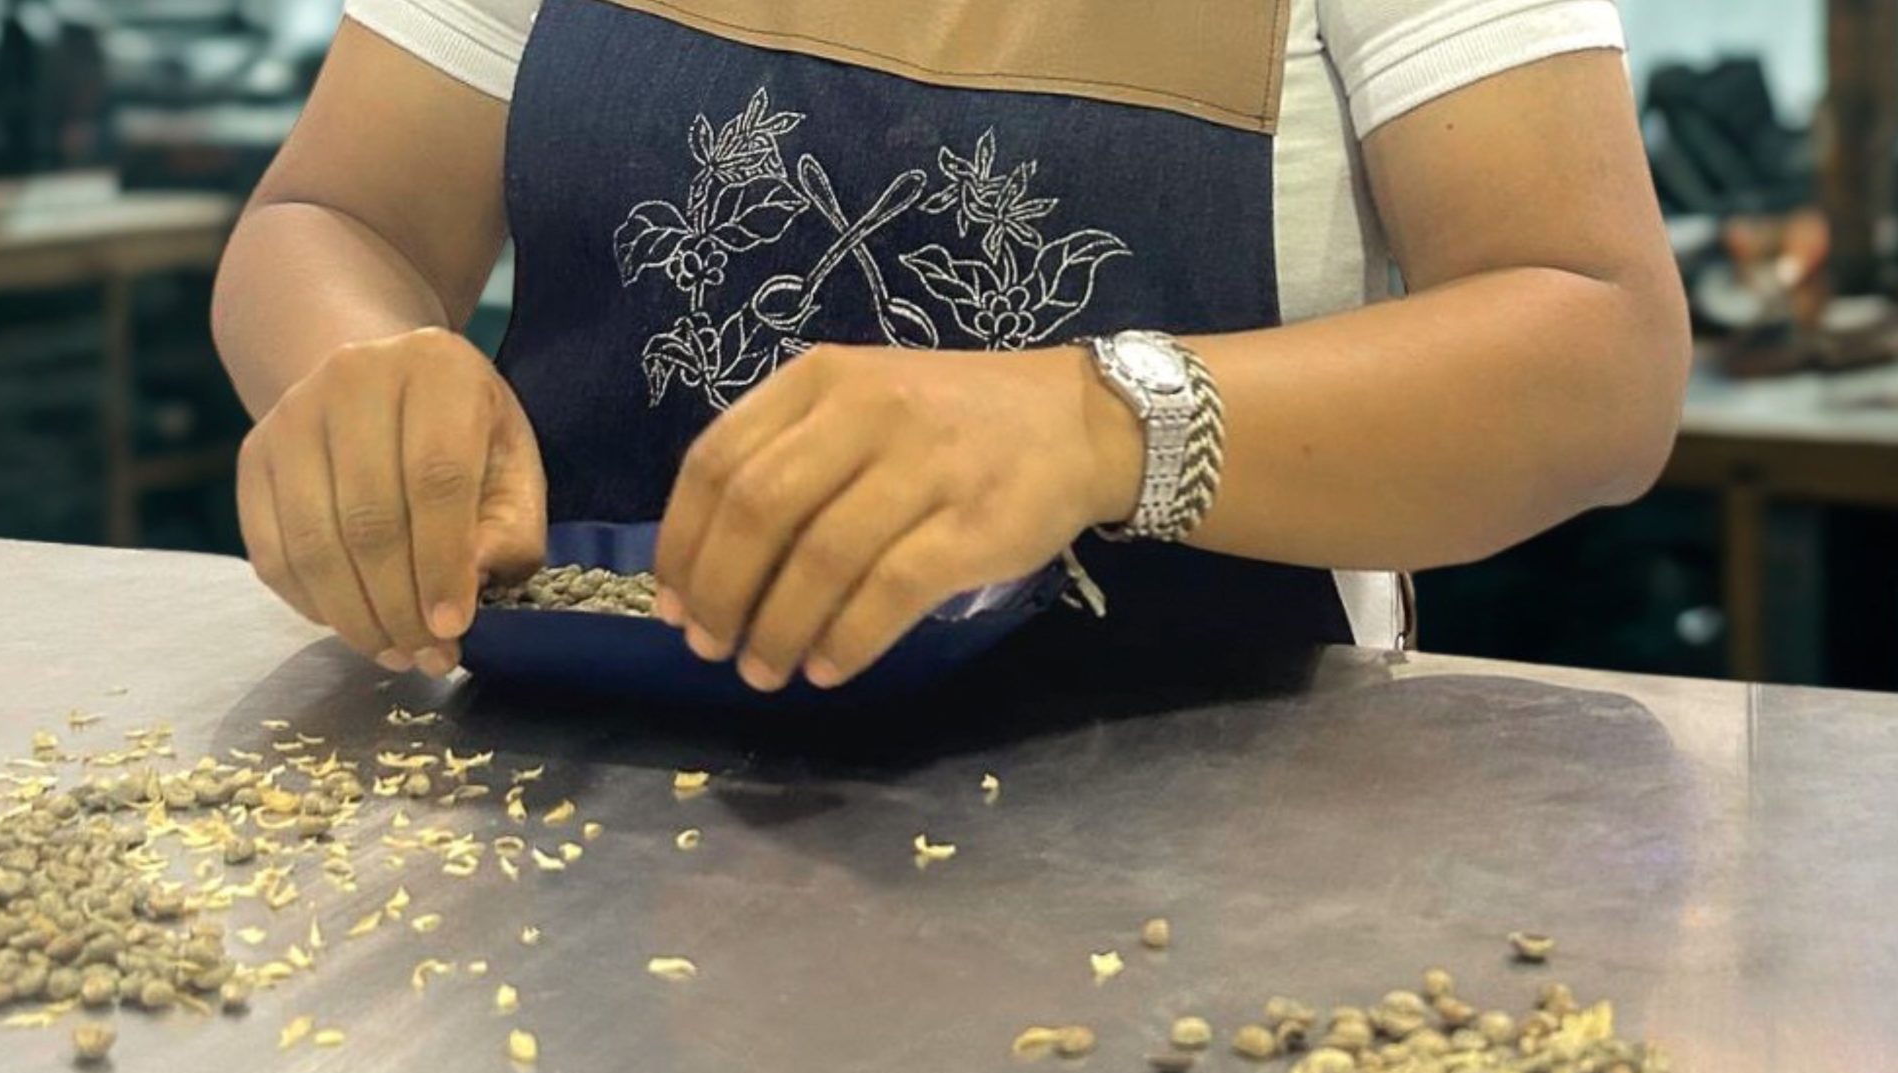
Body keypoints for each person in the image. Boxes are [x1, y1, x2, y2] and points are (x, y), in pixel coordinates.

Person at [213, 0, 1689, 694]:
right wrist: (362, 367)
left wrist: (1101, 421)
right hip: (546, 817)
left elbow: (1597, 355)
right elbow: (339, 212)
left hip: (1195, 848)